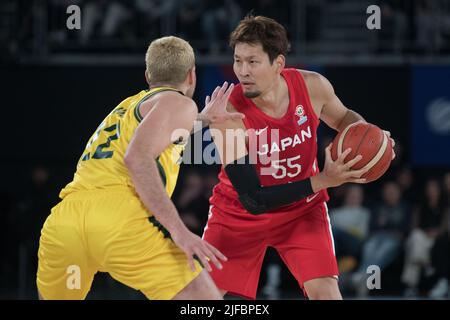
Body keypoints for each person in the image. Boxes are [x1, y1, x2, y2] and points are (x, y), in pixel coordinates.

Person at [202, 15, 395, 300]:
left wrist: (371, 138)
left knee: (327, 294)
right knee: (201, 302)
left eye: (252, 62)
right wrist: (323, 180)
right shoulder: (227, 115)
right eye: (237, 60)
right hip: (238, 215)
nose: (242, 71)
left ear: (278, 64)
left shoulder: (313, 87)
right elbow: (253, 199)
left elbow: (343, 118)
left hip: (301, 211)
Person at [36, 36, 236, 300]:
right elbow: (137, 157)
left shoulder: (126, 107)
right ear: (191, 75)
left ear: (147, 75)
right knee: (203, 300)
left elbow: (159, 133)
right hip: (118, 219)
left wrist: (202, 120)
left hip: (65, 221)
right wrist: (179, 231)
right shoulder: (180, 103)